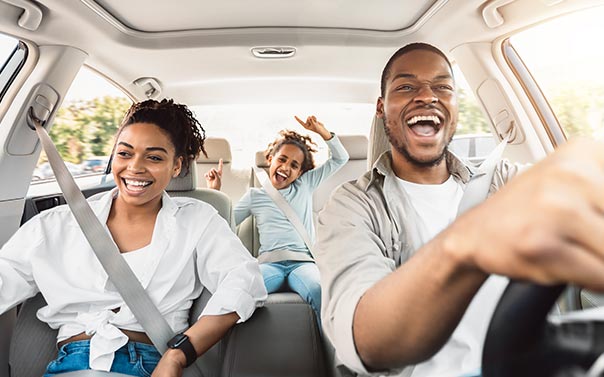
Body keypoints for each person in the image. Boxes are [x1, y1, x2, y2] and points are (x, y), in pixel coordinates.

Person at [315, 42, 604, 377]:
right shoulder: (352, 205)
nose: (427, 96)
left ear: (454, 103)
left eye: (443, 87)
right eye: (406, 86)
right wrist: (465, 244)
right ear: (381, 107)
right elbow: (365, 340)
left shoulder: (505, 180)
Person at [0, 99, 267, 377]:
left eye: (154, 157)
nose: (135, 167)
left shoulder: (198, 220)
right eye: (125, 153)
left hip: (151, 363)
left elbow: (244, 279)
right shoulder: (55, 225)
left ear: (176, 166)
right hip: (70, 365)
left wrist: (178, 354)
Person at [205, 115, 349, 325]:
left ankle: (336, 352)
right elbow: (226, 226)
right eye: (282, 160)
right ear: (270, 159)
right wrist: (216, 193)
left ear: (301, 172)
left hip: (303, 264)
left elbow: (340, 158)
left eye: (294, 165)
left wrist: (322, 132)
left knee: (319, 290)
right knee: (241, 291)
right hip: (269, 265)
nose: (286, 168)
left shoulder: (305, 185)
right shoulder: (255, 195)